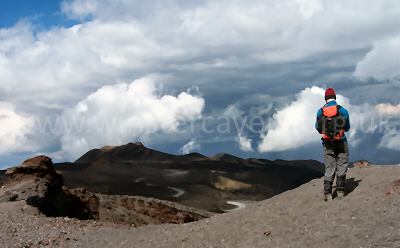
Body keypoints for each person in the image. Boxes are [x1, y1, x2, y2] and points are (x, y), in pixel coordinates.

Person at [315, 88, 350, 201]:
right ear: (335, 97)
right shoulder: (343, 110)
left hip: (327, 143)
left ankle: (328, 194)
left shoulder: (320, 111)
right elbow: (347, 127)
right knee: (342, 164)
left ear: (325, 99)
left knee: (330, 167)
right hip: (341, 140)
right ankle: (340, 191)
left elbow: (317, 127)